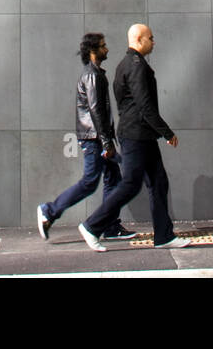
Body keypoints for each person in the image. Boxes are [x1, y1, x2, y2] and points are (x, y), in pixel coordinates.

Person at [78, 23, 190, 251]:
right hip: (136, 135)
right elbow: (145, 105)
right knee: (130, 184)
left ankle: (164, 236)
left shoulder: (123, 65)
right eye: (150, 37)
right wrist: (167, 132)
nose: (154, 41)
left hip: (142, 135)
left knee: (158, 182)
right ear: (139, 39)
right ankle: (92, 226)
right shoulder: (136, 66)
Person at [37, 33, 133, 241]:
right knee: (90, 181)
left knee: (113, 179)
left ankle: (109, 226)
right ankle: (49, 211)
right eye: (103, 46)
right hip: (93, 138)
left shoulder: (96, 73)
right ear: (93, 50)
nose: (107, 49)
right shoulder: (92, 75)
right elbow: (96, 110)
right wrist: (107, 143)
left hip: (97, 137)